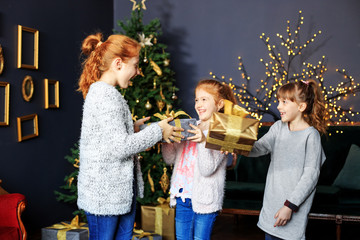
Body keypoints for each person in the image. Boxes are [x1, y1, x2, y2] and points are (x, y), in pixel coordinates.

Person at [76, 33, 183, 240]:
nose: (137, 72)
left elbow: (109, 139)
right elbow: (120, 147)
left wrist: (133, 129)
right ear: (118, 64)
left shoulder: (106, 94)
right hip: (105, 197)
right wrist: (158, 130)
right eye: (134, 65)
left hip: (117, 194)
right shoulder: (106, 97)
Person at [248, 79, 329, 240]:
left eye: (284, 102)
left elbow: (310, 176)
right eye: (279, 101)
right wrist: (236, 145)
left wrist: (289, 206)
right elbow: (259, 148)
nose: (278, 106)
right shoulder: (278, 128)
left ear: (301, 107)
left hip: (291, 208)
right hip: (272, 205)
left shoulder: (310, 136)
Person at [162, 79, 237, 240]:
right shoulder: (189, 126)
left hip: (205, 198)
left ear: (219, 104)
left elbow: (207, 169)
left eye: (204, 99)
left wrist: (203, 141)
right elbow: (170, 159)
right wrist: (167, 139)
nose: (198, 104)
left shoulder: (221, 133)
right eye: (197, 99)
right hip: (183, 195)